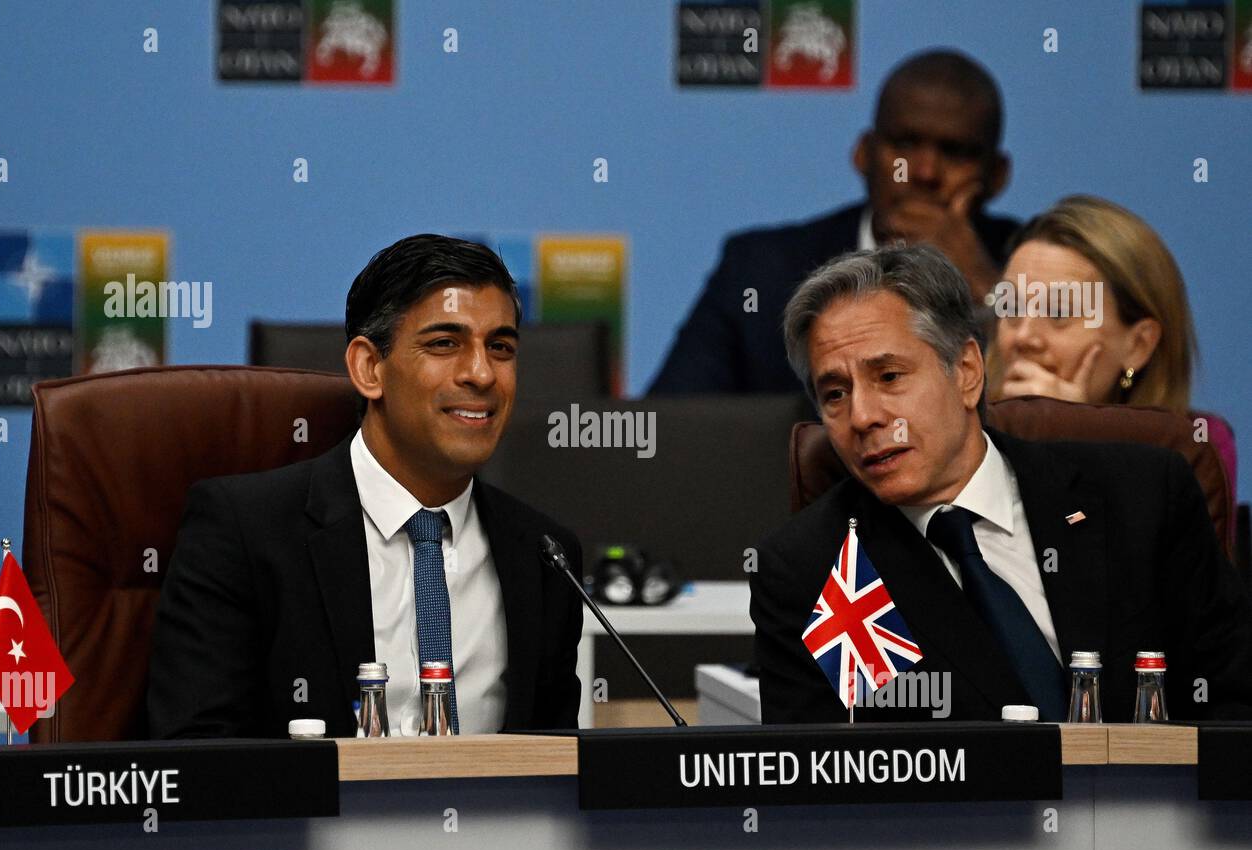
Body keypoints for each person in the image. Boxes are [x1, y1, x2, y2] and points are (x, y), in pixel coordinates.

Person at [752, 245, 1252, 723]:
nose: (862, 417)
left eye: (889, 376)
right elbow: (823, 781)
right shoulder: (814, 573)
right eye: (835, 393)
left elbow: (1233, 705)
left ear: (967, 372)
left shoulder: (1142, 496)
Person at [148, 235, 583, 738]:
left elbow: (555, 772)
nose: (482, 373)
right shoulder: (243, 532)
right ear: (369, 368)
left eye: (500, 347)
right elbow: (197, 758)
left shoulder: (544, 556)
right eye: (445, 343)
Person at [649, 49, 1019, 395]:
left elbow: (1046, 432)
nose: (923, 172)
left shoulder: (1033, 263)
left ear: (997, 175)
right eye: (905, 144)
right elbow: (674, 428)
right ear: (863, 154)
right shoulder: (761, 272)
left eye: (955, 153)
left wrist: (984, 290)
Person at [988, 193, 1237, 496]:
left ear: (1138, 345)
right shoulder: (956, 432)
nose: (1024, 336)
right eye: (1011, 308)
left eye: (1059, 312)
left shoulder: (1194, 447)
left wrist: (1073, 438)